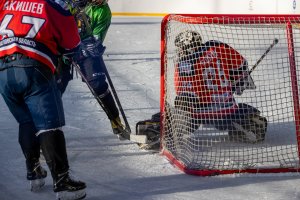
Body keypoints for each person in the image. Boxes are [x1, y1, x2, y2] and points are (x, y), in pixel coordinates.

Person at [0, 0, 86, 199]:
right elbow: (72, 43)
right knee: (48, 124)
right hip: (33, 68)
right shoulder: (49, 5)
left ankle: (34, 171)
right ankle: (62, 181)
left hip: (3, 72)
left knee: (27, 121)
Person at [169, 30, 268, 143]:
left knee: (177, 115)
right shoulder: (216, 46)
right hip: (226, 111)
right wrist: (236, 80)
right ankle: (249, 125)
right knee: (238, 112)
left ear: (186, 47)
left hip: (197, 115)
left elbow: (181, 93)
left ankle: (162, 128)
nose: (180, 51)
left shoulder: (183, 63)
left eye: (181, 48)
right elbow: (241, 64)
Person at [56, 0, 126, 139]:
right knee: (54, 88)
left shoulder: (103, 11)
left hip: (84, 49)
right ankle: (48, 129)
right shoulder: (67, 2)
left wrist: (88, 46)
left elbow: (96, 39)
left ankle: (116, 121)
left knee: (98, 84)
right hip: (62, 48)